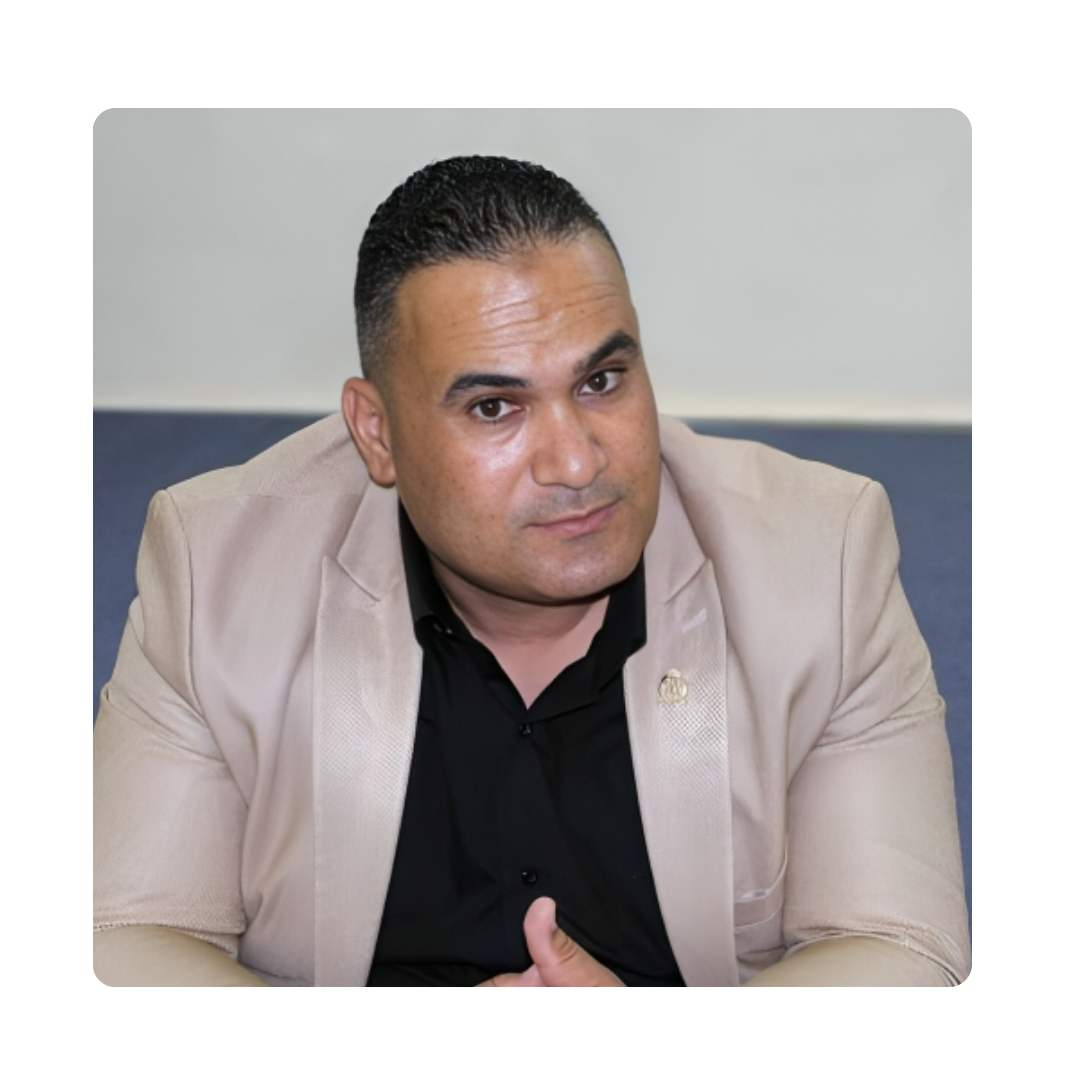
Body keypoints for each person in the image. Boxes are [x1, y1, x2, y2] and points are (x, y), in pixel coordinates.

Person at [93, 156, 970, 987]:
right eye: (494, 407)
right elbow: (119, 939)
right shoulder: (218, 569)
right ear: (377, 433)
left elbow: (901, 950)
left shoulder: (821, 557)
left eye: (602, 381)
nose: (577, 462)